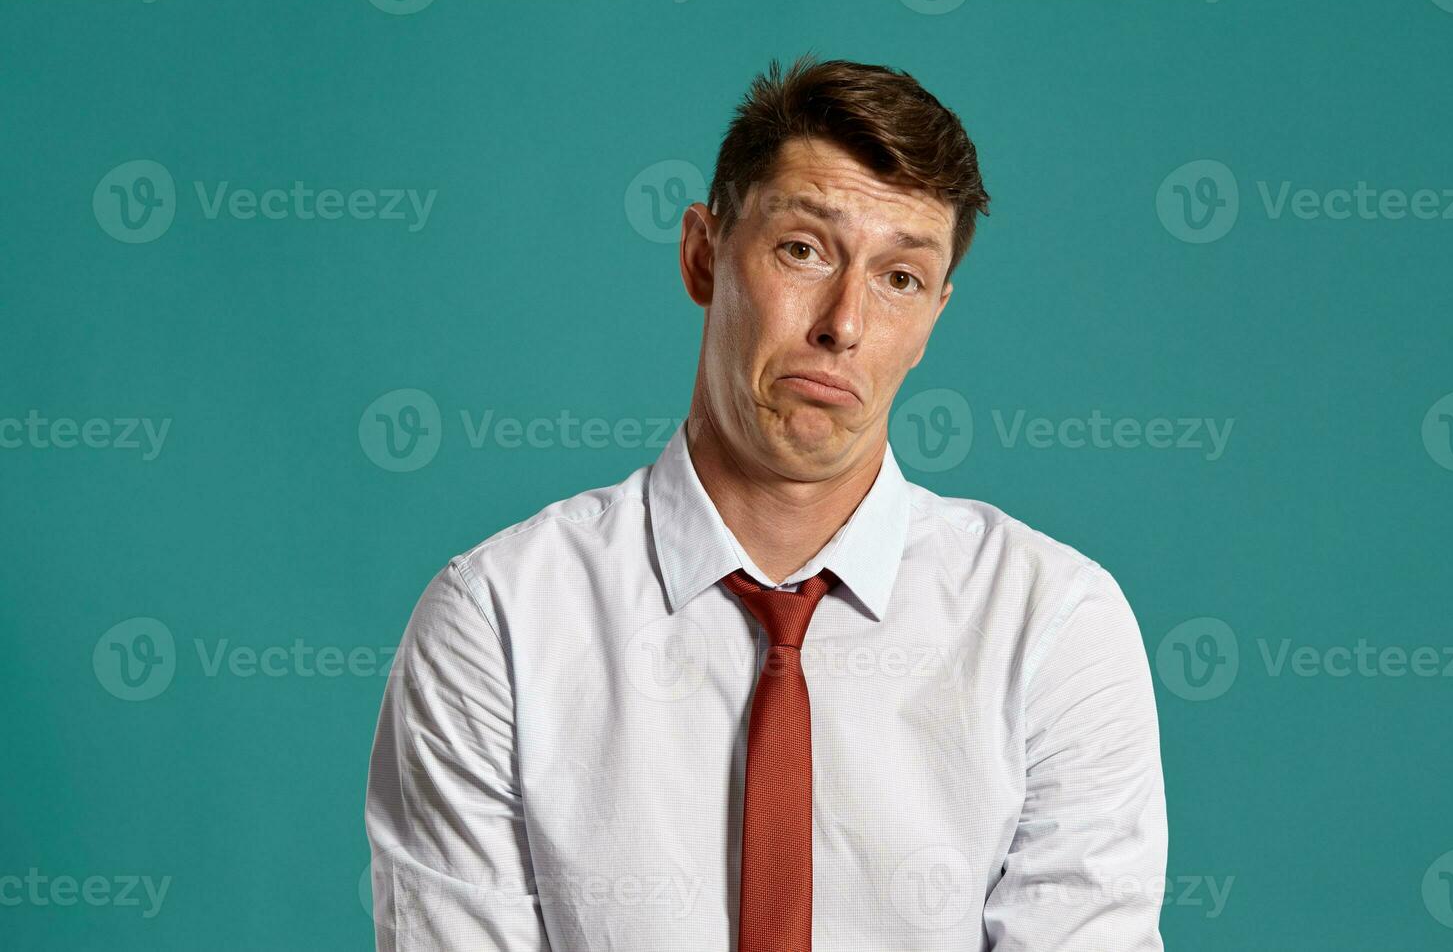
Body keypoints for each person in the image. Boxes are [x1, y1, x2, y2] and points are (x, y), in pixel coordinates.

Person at [364, 53, 1167, 951]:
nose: (843, 323)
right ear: (703, 256)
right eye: (803, 250)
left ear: (934, 316)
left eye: (899, 277)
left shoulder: (1054, 625)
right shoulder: (499, 622)